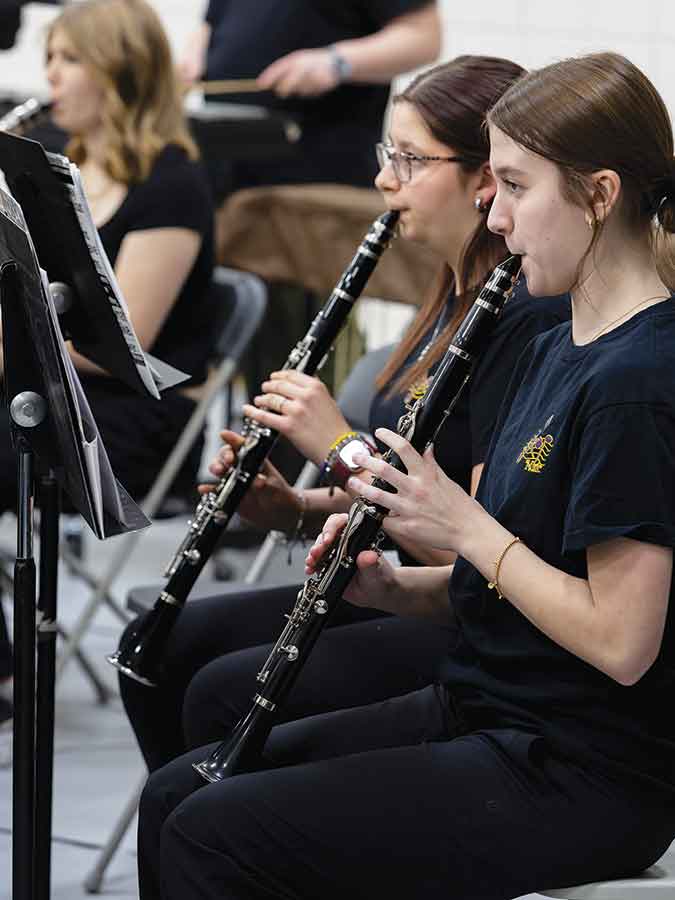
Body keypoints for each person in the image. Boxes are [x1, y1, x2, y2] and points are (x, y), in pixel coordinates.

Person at [137, 51, 675, 899]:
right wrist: (393, 589)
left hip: (580, 769)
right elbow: (508, 584)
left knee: (213, 835)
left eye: (515, 185)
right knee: (178, 795)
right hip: (487, 710)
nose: (495, 214)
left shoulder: (637, 383)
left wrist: (464, 527)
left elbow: (621, 642)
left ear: (599, 194)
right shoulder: (555, 347)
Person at [118, 55, 570, 776]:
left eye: (409, 159)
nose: (384, 179)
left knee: (216, 692)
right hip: (408, 584)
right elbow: (412, 485)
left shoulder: (521, 320)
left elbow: (472, 552)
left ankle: (228, 823)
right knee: (160, 644)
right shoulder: (450, 293)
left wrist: (338, 447)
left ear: (484, 179)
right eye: (387, 154)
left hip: (467, 623)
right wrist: (298, 509)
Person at [0, 0, 214, 730]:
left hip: (125, 413)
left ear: (121, 71)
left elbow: (124, 339)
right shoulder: (42, 165)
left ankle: (3, 677)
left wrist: (8, 344)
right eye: (50, 59)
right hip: (43, 384)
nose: (51, 77)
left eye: (70, 59)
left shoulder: (171, 182)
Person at [179, 0, 442, 198]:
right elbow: (212, 22)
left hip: (317, 185)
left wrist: (336, 62)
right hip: (226, 176)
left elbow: (423, 36)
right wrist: (193, 54)